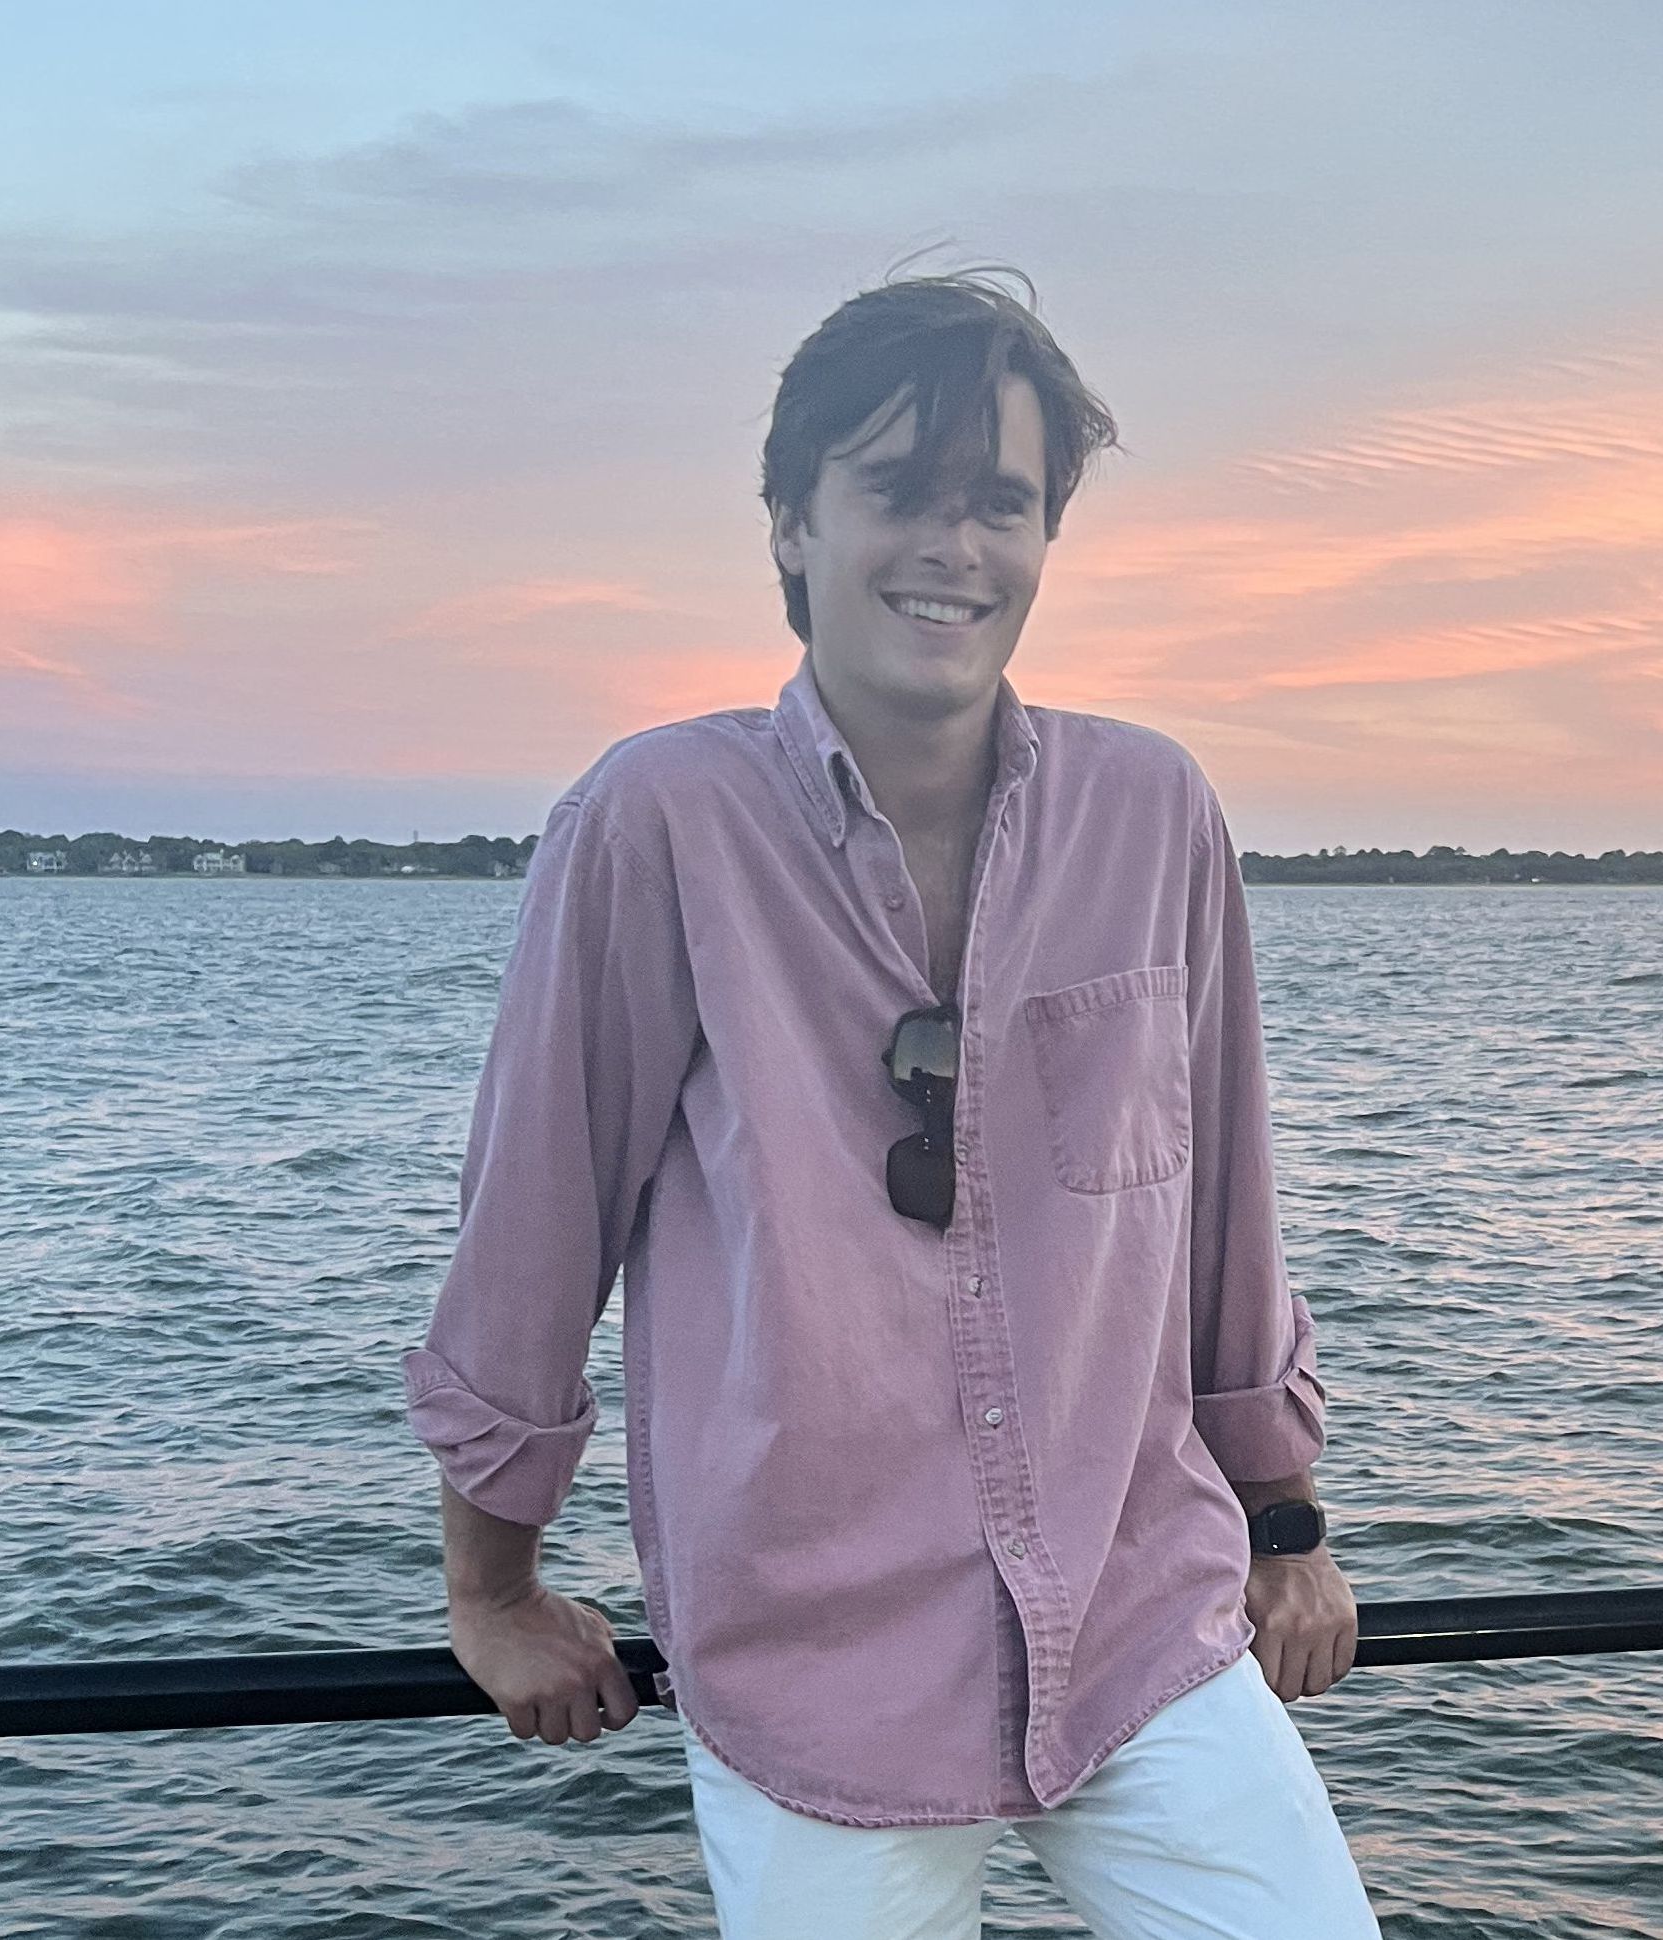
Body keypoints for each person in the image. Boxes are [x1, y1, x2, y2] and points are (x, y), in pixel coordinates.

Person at [401, 263, 1383, 1938]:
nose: (954, 546)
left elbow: (1224, 1210)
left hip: (1140, 1609)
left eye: (1000, 502)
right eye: (897, 493)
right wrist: (488, 1591)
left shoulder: (1152, 812)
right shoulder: (658, 824)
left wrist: (1285, 1522)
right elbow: (535, 1232)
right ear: (790, 524)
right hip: (815, 1652)